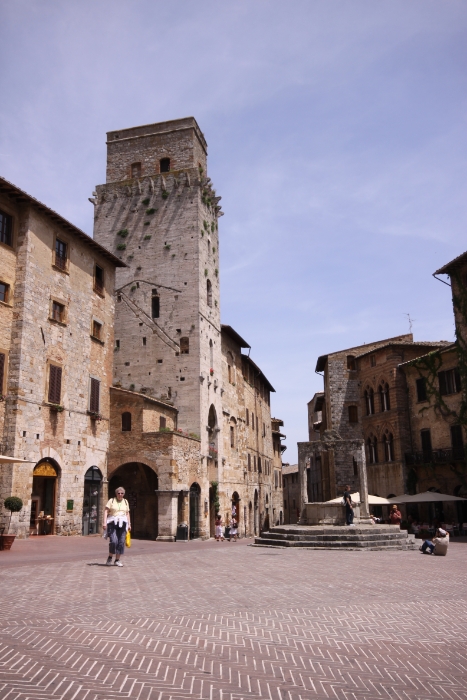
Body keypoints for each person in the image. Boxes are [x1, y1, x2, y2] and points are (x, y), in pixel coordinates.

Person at [103, 487, 131, 566]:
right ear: (116, 494)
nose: (120, 495)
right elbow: (106, 511)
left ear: (124, 494)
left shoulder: (125, 501)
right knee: (114, 541)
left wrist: (129, 524)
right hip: (112, 522)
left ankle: (117, 560)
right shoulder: (111, 501)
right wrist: (104, 523)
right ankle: (110, 557)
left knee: (121, 541)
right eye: (118, 493)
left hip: (123, 523)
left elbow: (127, 513)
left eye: (122, 493)